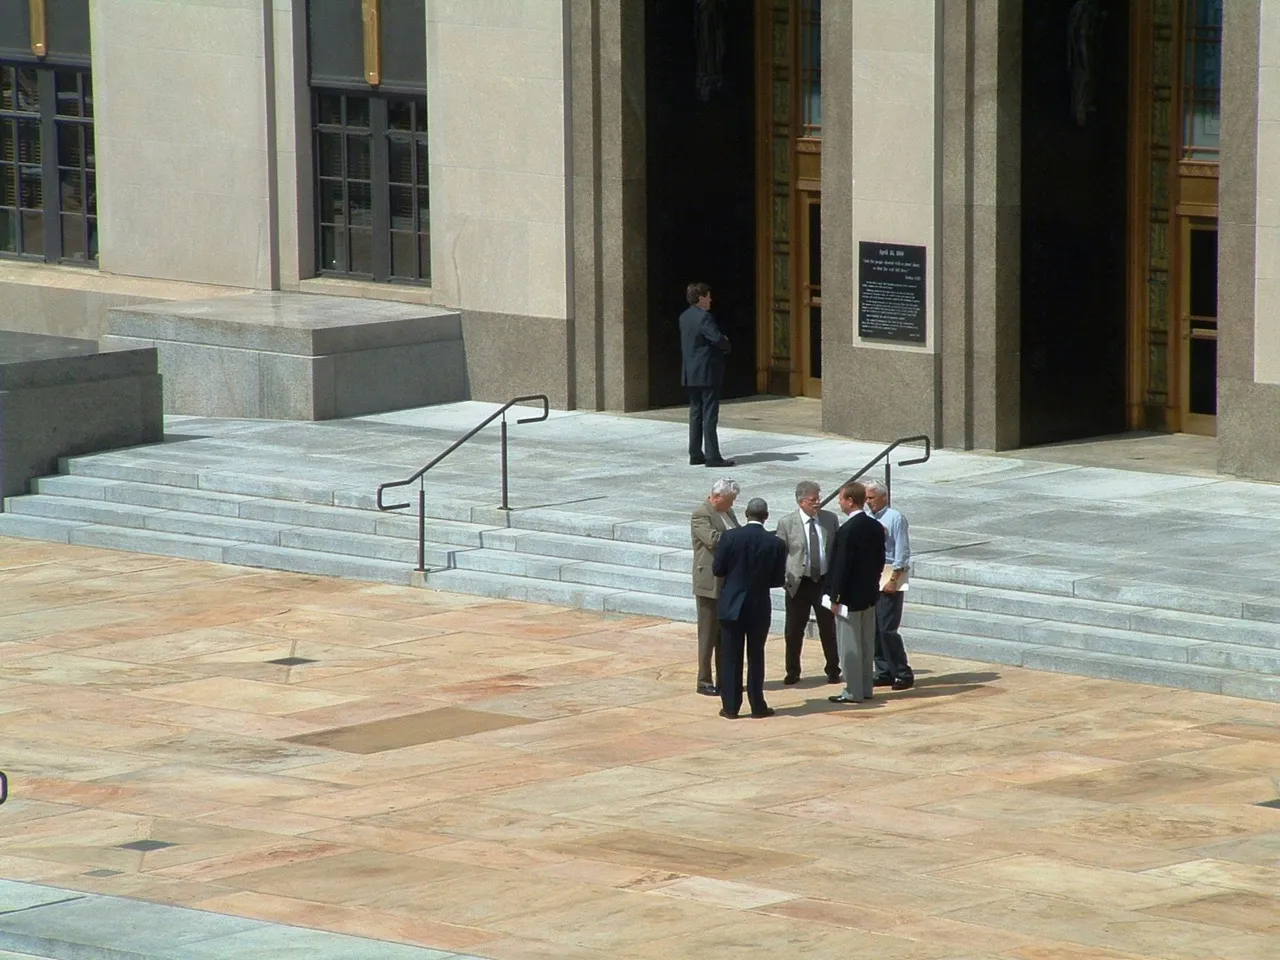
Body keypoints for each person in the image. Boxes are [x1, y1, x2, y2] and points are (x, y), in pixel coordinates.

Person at [712, 497, 786, 719]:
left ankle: (731, 706)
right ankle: (757, 705)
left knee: (730, 656)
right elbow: (777, 580)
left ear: (746, 514)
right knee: (756, 655)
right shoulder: (775, 543)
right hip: (758, 606)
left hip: (732, 604)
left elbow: (718, 569)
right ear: (766, 516)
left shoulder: (730, 537)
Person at [774, 480, 841, 685]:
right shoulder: (787, 523)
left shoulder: (830, 519)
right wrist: (785, 579)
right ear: (801, 501)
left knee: (828, 628)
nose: (817, 503)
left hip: (822, 582)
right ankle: (792, 671)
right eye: (813, 500)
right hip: (799, 583)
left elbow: (835, 550)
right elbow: (781, 553)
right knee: (794, 630)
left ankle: (833, 669)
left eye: (818, 498)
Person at [824, 482, 886, 704]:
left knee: (850, 646)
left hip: (849, 598)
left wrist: (834, 597)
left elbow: (841, 567)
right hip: (869, 595)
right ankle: (866, 687)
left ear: (850, 501)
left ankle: (853, 690)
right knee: (866, 643)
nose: (839, 503)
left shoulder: (847, 530)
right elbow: (880, 561)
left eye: (841, 499)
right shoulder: (875, 526)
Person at [690, 478, 741, 695]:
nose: (731, 505)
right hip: (709, 582)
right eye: (729, 500)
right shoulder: (701, 514)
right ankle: (704, 680)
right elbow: (714, 540)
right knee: (708, 634)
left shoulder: (727, 512)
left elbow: (735, 532)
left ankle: (724, 678)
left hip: (728, 581)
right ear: (717, 496)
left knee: (724, 634)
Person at [866, 479, 914, 690]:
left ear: (884, 497)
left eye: (871, 498)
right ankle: (883, 670)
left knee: (887, 628)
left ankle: (902, 672)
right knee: (875, 627)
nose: (868, 502)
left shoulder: (895, 518)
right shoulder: (868, 517)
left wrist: (894, 579)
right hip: (872, 574)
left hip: (889, 573)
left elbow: (901, 551)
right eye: (866, 498)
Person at [679, 282, 734, 468]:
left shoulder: (684, 317)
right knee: (709, 415)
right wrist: (726, 343)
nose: (710, 299)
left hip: (690, 373)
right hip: (707, 373)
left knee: (695, 413)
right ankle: (713, 456)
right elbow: (716, 338)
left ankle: (695, 453)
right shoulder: (704, 318)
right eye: (708, 296)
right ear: (701, 297)